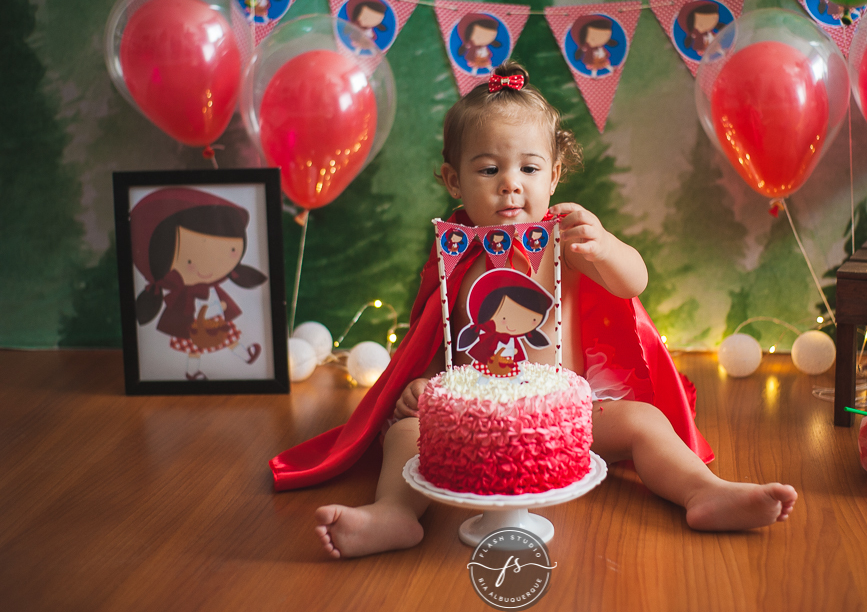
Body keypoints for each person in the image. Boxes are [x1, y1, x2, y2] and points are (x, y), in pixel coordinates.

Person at [279, 61, 797, 558]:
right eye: (489, 168)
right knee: (406, 434)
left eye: (529, 167)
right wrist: (425, 386)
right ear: (453, 180)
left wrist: (607, 247)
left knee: (643, 421)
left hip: (569, 419)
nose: (511, 182)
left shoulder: (565, 243)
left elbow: (634, 282)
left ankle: (702, 491)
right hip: (473, 423)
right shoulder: (455, 256)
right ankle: (393, 514)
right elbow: (440, 338)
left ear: (553, 177)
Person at [131, 188, 267, 380]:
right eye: (189, 262)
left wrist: (219, 307)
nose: (209, 268)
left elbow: (214, 304)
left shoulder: (211, 289)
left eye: (230, 253)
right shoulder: (182, 296)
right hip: (194, 325)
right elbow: (206, 306)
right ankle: (192, 372)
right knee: (194, 349)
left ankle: (246, 355)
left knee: (229, 339)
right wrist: (217, 307)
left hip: (215, 323)